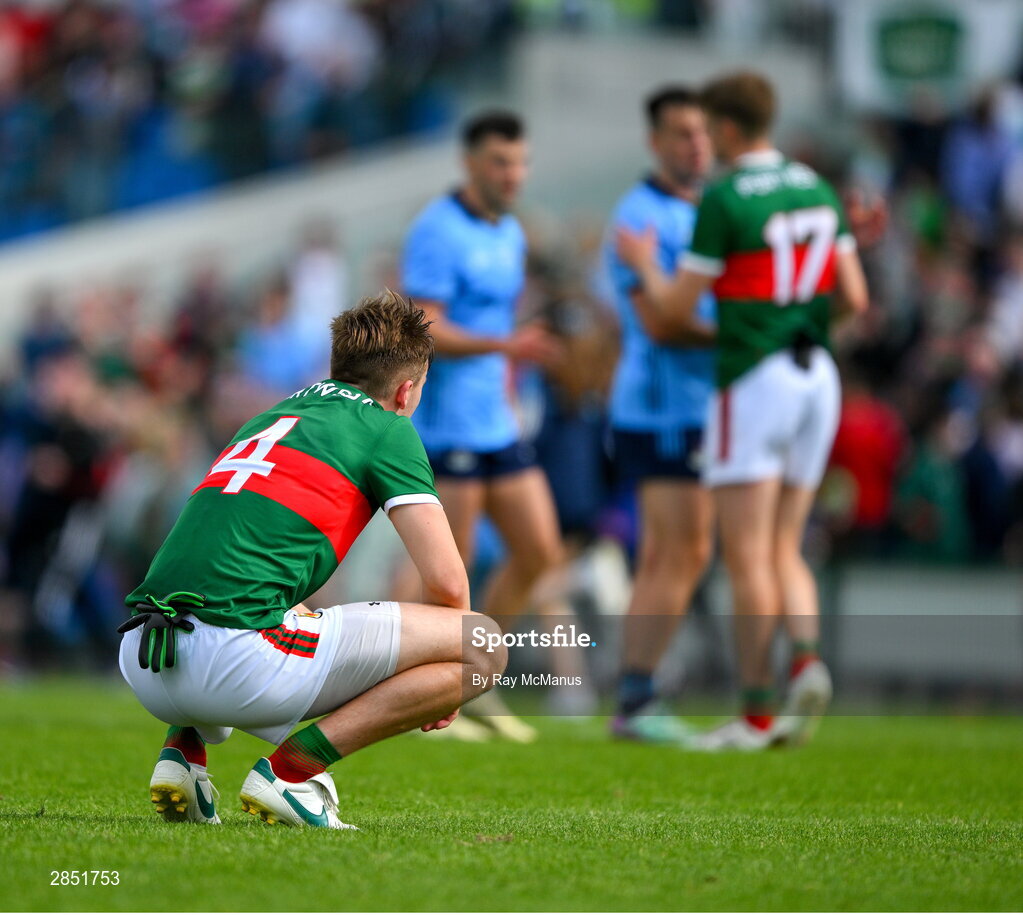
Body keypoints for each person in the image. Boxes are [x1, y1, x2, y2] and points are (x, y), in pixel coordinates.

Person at [118, 291, 507, 828]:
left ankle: (184, 751)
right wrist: (447, 688)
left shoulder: (274, 414)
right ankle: (292, 772)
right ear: (406, 388)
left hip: (144, 653)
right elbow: (448, 586)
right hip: (228, 663)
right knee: (482, 642)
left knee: (275, 607)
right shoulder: (388, 428)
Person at [618, 71, 869, 750]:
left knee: (746, 551)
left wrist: (644, 266)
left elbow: (670, 312)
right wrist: (798, 315)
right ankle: (806, 657)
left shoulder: (726, 198)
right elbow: (853, 297)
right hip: (816, 371)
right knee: (787, 541)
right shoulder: (815, 185)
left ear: (727, 129)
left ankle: (757, 710)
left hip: (753, 378)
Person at [399, 110, 564, 741]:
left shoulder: (511, 231)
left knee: (540, 552)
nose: (513, 174)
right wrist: (507, 346)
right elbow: (425, 326)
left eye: (520, 162)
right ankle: (426, 697)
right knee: (451, 572)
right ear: (471, 163)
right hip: (448, 424)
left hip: (498, 420)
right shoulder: (437, 231)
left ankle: (471, 677)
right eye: (500, 162)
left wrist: (511, 357)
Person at [604, 85, 716, 744]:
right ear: (654, 142)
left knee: (666, 553)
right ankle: (638, 696)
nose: (694, 144)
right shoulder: (641, 214)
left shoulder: (701, 208)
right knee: (682, 550)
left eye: (700, 131)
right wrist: (746, 333)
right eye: (680, 133)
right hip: (663, 407)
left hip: (692, 405)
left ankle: (636, 694)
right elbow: (659, 323)